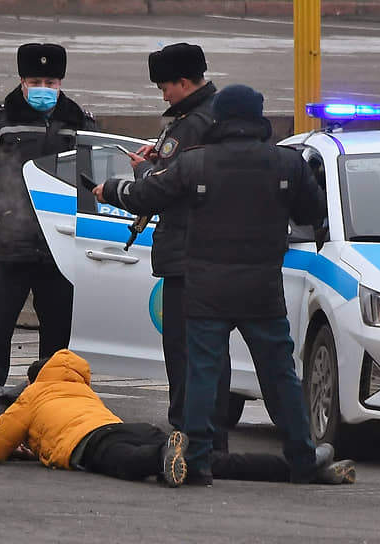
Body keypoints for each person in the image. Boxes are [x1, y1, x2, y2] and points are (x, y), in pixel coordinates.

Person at [92, 84, 333, 486]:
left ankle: (199, 460)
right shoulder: (286, 164)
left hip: (206, 288)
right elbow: (313, 210)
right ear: (258, 117)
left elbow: (147, 196)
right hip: (262, 289)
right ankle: (303, 457)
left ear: (220, 118)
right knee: (279, 376)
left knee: (203, 374)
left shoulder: (195, 163)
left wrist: (111, 189)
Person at [0, 352, 355, 487]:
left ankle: (163, 456)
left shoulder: (34, 394)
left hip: (90, 444)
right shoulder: (85, 392)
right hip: (126, 426)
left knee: (125, 464)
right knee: (218, 463)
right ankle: (302, 469)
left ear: (37, 378)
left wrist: (17, 447)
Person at [0, 43, 96, 386]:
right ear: (22, 80)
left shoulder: (79, 120)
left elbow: (92, 183)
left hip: (60, 250)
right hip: (5, 248)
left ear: (61, 82)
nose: (44, 89)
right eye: (36, 80)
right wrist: (0, 208)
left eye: (51, 82)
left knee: (59, 340)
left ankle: (49, 406)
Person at [127, 43, 230, 451]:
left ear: (184, 83)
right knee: (209, 351)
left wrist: (142, 172)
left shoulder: (190, 125)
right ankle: (209, 435)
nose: (162, 95)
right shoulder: (216, 115)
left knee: (185, 352)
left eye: (164, 87)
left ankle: (188, 437)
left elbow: (167, 189)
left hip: (185, 255)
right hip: (211, 253)